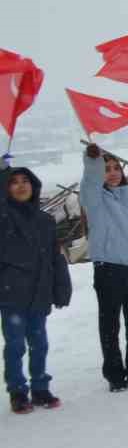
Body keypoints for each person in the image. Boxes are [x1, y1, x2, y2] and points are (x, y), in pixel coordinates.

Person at [80, 144, 128, 390]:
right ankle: (115, 376)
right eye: (106, 169)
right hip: (108, 269)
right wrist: (93, 161)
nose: (112, 172)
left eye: (116, 168)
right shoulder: (95, 200)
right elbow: (90, 183)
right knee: (110, 325)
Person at [2, 166, 71, 413]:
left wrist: (61, 288)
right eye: (14, 182)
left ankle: (40, 387)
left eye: (25, 181)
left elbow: (55, 257)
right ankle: (18, 392)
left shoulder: (45, 220)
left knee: (39, 342)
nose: (21, 186)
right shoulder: (4, 216)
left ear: (34, 186)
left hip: (40, 292)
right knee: (15, 345)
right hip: (12, 293)